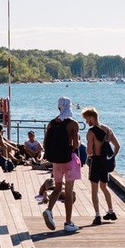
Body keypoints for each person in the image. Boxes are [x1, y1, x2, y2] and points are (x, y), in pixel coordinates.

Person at [41, 97, 80, 233]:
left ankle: (49, 210)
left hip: (56, 161)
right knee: (68, 193)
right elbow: (75, 145)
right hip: (69, 161)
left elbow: (45, 142)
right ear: (70, 107)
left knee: (57, 188)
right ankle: (68, 223)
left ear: (58, 108)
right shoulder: (73, 124)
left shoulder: (52, 123)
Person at [83, 109, 119, 223]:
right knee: (104, 187)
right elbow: (117, 146)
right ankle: (111, 211)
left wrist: (88, 153)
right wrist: (111, 157)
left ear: (91, 117)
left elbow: (89, 150)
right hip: (105, 162)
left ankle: (97, 215)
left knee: (94, 189)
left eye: (86, 119)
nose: (86, 121)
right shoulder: (108, 130)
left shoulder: (91, 132)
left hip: (96, 162)